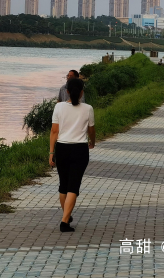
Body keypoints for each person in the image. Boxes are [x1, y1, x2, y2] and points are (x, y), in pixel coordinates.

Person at [50, 77, 94, 233]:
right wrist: (92, 142)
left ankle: (67, 216)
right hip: (80, 150)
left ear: (67, 92)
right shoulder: (88, 108)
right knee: (73, 186)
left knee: (63, 186)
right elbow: (91, 130)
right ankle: (64, 222)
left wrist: (51, 152)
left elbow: (54, 131)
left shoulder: (59, 107)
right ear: (82, 92)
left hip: (61, 148)